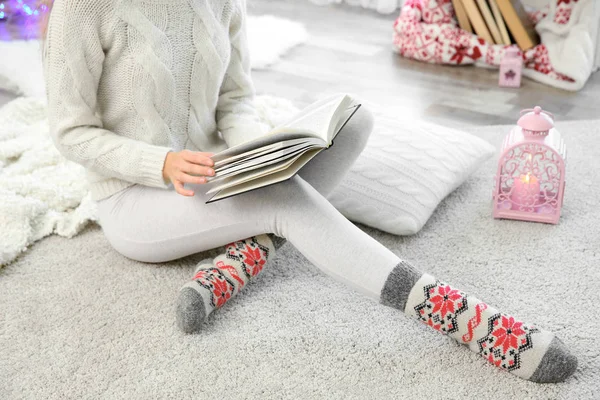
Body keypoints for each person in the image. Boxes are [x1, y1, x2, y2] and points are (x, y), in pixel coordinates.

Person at [42, 0, 576, 383]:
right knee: (286, 202)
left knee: (355, 120)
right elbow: (70, 132)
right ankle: (463, 316)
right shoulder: (81, 9)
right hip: (134, 197)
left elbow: (235, 102)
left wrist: (262, 156)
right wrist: (159, 162)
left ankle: (233, 263)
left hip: (220, 175)